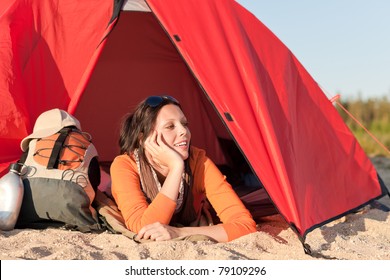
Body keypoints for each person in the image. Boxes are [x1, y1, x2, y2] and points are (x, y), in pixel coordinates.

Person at [110, 95, 256, 242]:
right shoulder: (125, 165)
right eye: (170, 126)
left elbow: (245, 226)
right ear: (144, 139)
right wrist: (176, 168)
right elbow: (144, 229)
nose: (184, 131)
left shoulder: (198, 162)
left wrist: (179, 232)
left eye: (184, 124)